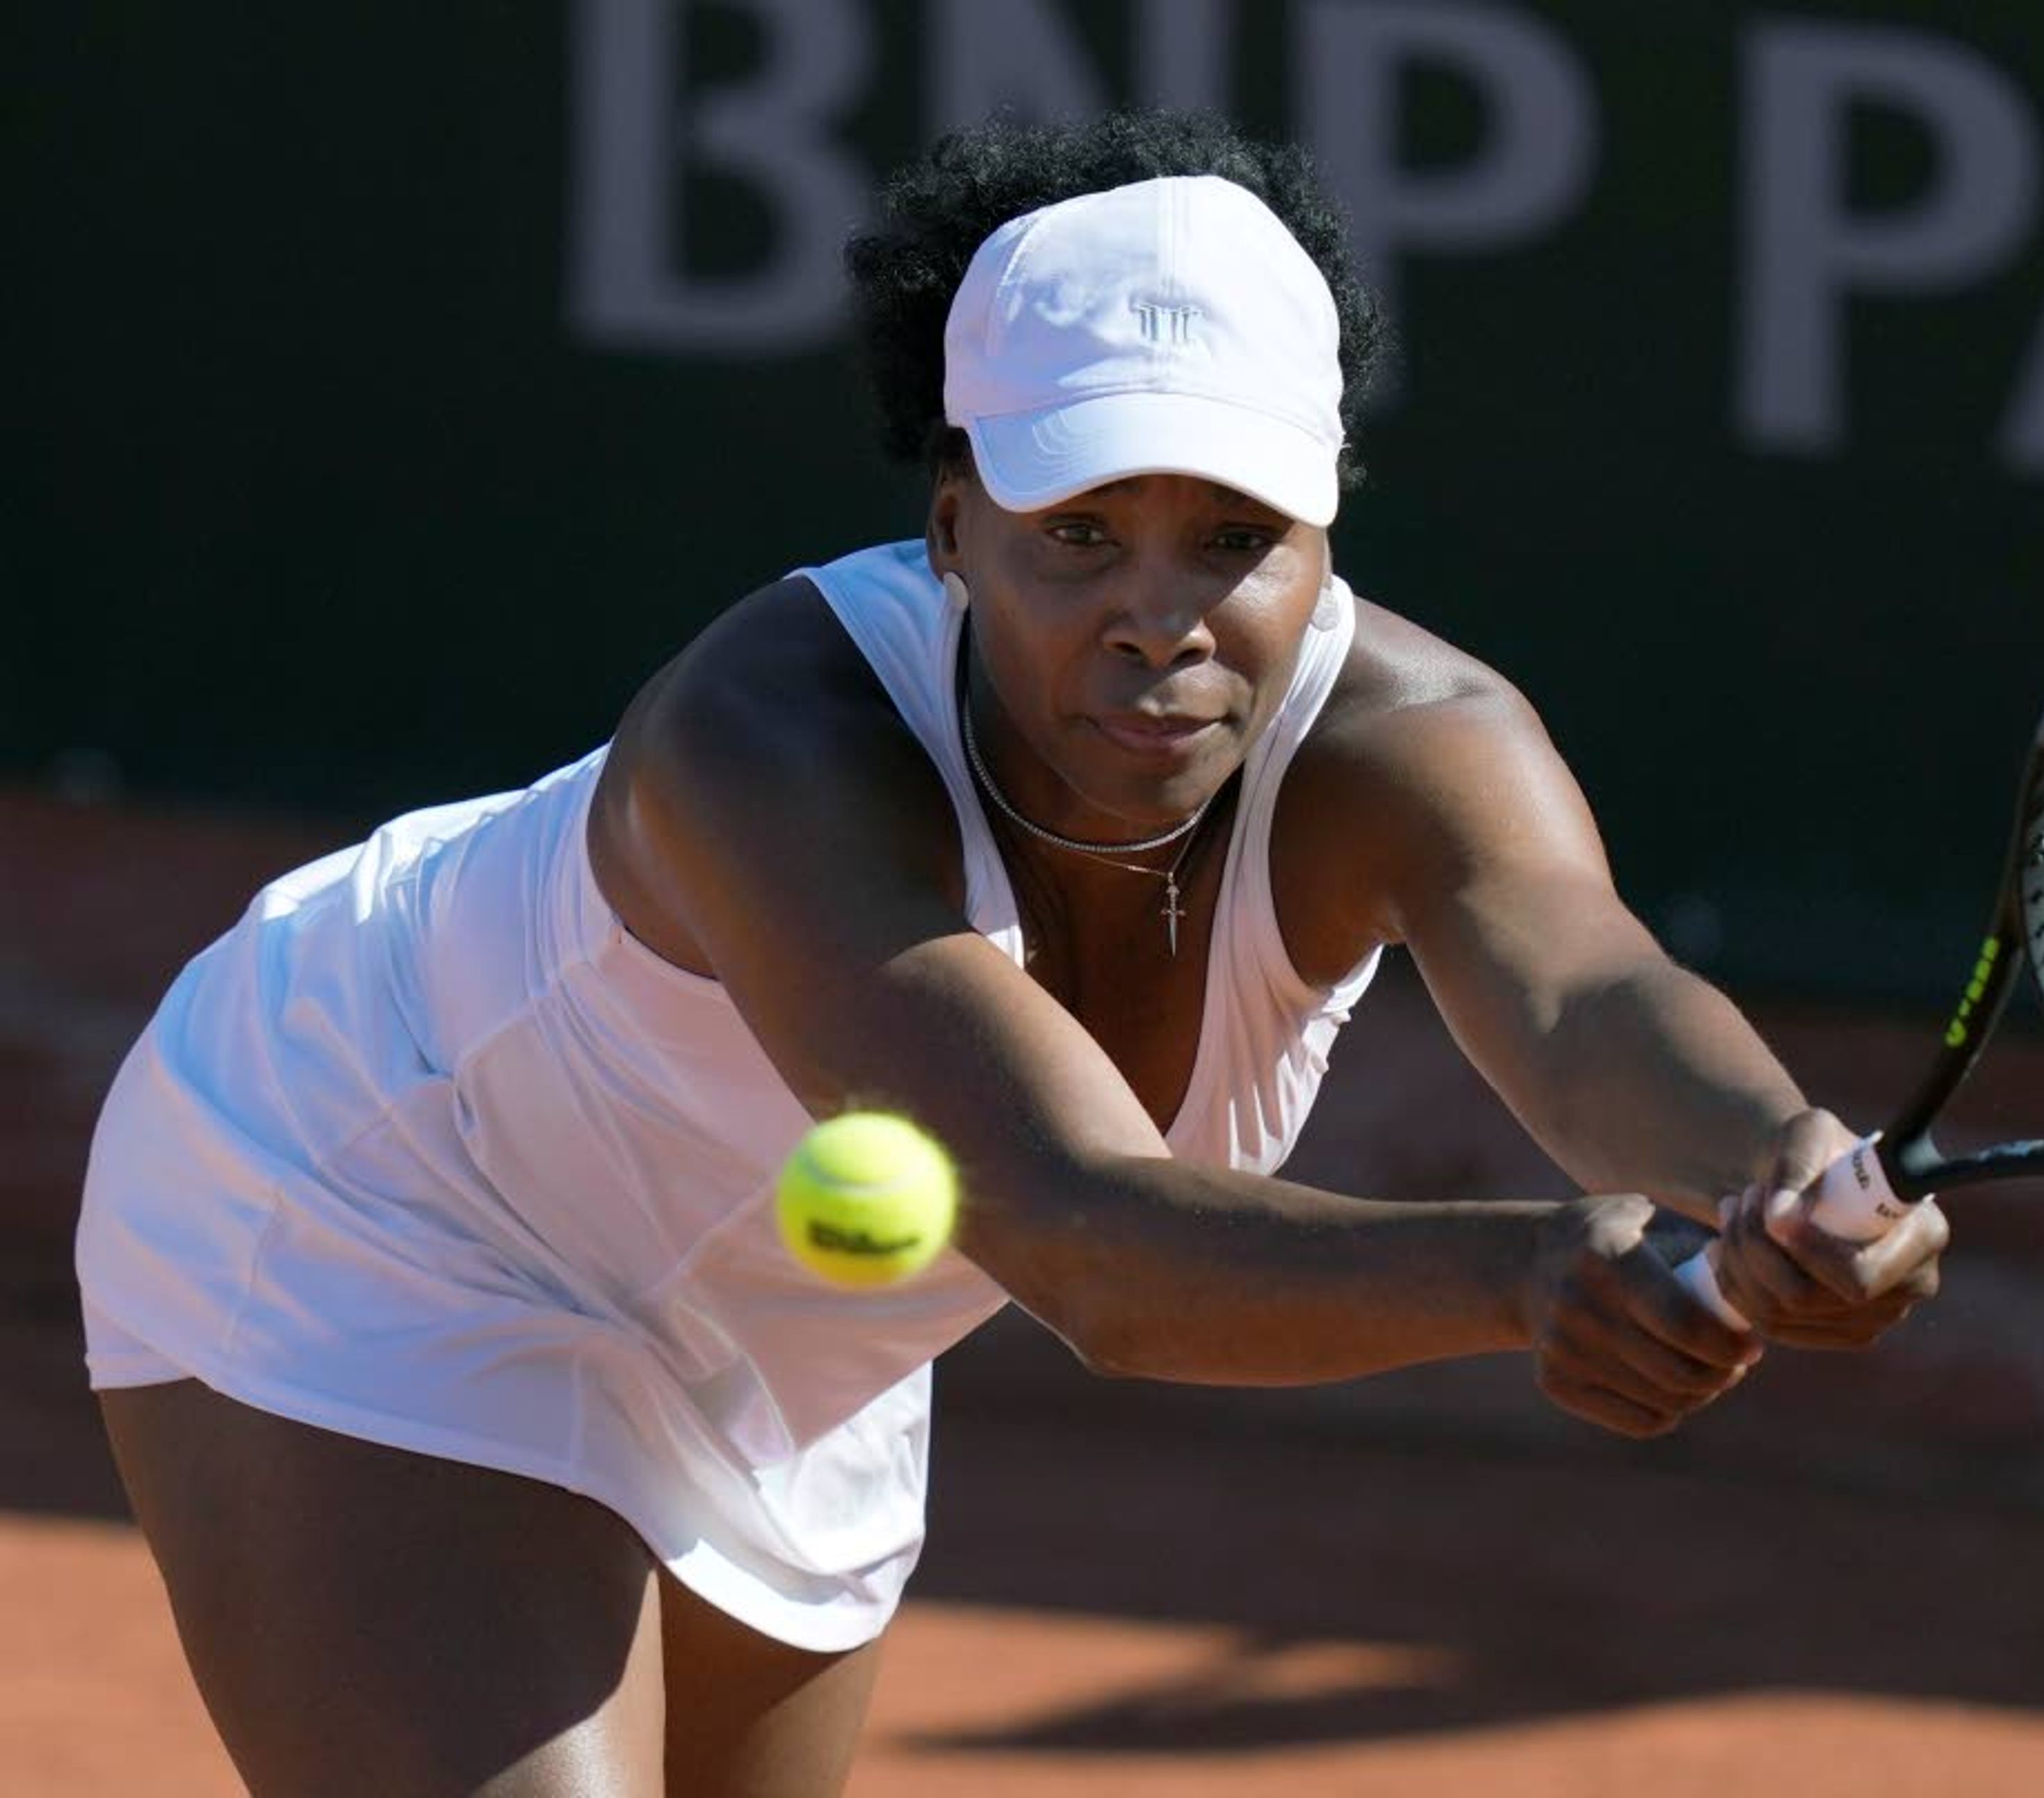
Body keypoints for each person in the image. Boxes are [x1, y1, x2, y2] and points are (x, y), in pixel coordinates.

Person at [76, 109, 1949, 1797]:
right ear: (956, 531)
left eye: (1233, 535)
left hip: (788, 1347)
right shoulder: (770, 741)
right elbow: (1083, 1237)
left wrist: (1777, 1160)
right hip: (384, 1198)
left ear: (1327, 531)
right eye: (1078, 536)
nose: (1161, 619)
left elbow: (1587, 991)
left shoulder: (1423, 741)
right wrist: (1537, 1269)